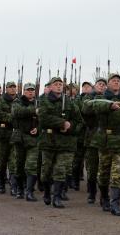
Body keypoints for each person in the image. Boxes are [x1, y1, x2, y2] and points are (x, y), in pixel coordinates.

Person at [84, 73, 120, 216]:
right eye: (113, 80)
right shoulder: (99, 99)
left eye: (118, 81)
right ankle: (105, 197)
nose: (116, 83)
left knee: (117, 174)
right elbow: (86, 108)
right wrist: (109, 106)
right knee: (103, 174)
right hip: (104, 142)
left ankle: (115, 204)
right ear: (108, 84)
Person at [38, 77, 82, 208]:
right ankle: (46, 191)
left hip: (65, 143)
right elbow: (43, 118)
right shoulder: (44, 101)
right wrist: (62, 123)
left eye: (60, 84)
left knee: (60, 170)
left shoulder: (70, 103)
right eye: (55, 84)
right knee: (46, 171)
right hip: (48, 141)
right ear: (50, 87)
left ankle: (57, 197)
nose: (58, 86)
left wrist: (69, 128)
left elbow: (79, 122)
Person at [11, 82, 40, 201]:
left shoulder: (39, 103)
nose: (30, 92)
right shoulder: (17, 102)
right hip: (20, 137)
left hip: (33, 139)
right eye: (28, 90)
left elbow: (44, 118)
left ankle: (29, 191)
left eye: (32, 90)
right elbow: (17, 112)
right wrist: (34, 110)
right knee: (19, 165)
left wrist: (38, 128)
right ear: (23, 91)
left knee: (31, 165)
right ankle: (19, 189)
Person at [82, 77, 107, 204]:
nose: (101, 86)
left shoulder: (110, 98)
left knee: (104, 169)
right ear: (95, 86)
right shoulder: (88, 98)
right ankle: (92, 193)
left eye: (104, 84)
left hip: (105, 138)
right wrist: (104, 105)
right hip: (91, 137)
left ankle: (104, 195)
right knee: (92, 169)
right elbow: (86, 109)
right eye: (99, 84)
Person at [0, 81, 17, 194]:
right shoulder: (0, 101)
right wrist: (13, 117)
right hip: (3, 134)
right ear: (6, 89)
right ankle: (1, 184)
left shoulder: (19, 101)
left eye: (14, 87)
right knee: (1, 160)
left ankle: (13, 186)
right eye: (10, 87)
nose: (13, 89)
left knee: (13, 161)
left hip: (15, 135)